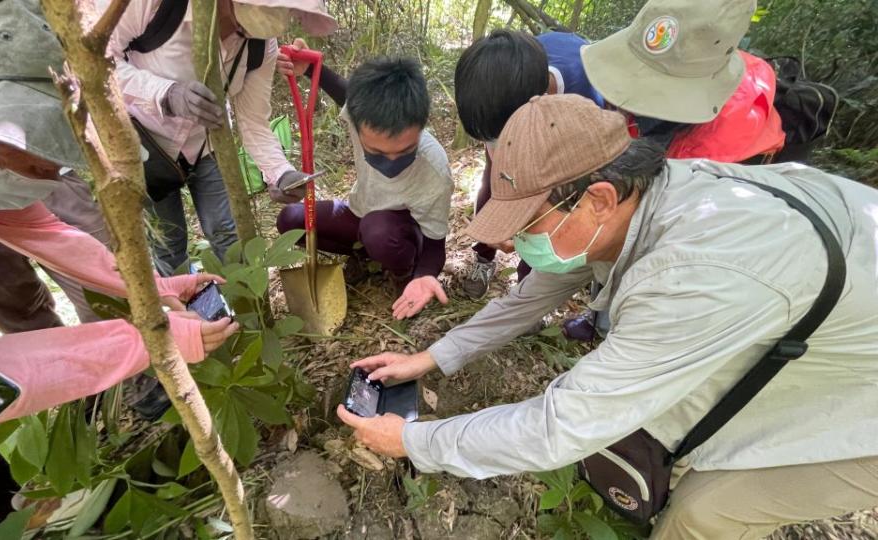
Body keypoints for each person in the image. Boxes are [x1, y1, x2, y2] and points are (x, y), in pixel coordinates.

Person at [337, 94, 878, 539]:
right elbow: (529, 297)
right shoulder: (643, 196)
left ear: (596, 199)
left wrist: (413, 442)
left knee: (702, 514)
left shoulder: (693, 274)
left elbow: (561, 425)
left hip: (864, 399)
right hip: (821, 308)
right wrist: (430, 358)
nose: (508, 241)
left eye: (526, 223)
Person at [0, 0, 238, 524]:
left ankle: (27, 513)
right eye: (34, 153)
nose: (45, 172)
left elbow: (53, 234)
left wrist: (161, 287)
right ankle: (18, 520)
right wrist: (147, 340)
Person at [561, 0, 786, 341]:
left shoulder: (720, 158)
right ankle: (599, 317)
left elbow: (670, 250)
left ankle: (616, 329)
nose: (619, 101)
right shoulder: (673, 64)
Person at [102, 0, 337, 274]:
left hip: (207, 143)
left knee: (228, 234)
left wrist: (281, 174)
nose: (237, 33)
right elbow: (98, 63)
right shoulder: (155, 6)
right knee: (168, 243)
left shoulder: (260, 46)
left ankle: (247, 311)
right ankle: (188, 312)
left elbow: (254, 121)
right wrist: (165, 93)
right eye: (240, 21)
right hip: (143, 145)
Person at [276, 41, 453, 320]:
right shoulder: (364, 115)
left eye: (405, 151)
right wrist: (310, 67)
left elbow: (434, 245)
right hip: (360, 211)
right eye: (378, 152)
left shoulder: (435, 171)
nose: (392, 161)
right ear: (356, 123)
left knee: (378, 230)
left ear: (421, 127)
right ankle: (364, 256)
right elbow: (343, 91)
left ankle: (399, 273)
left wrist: (423, 276)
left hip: (401, 233)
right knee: (290, 220)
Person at [454, 29, 604, 299]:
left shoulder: (585, 90)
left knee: (546, 206)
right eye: (488, 138)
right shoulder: (495, 90)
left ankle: (528, 287)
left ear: (539, 102)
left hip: (566, 142)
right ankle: (484, 257)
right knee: (492, 184)